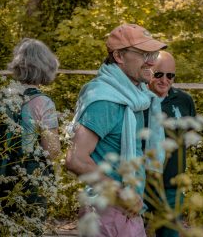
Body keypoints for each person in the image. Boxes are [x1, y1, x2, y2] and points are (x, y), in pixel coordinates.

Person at [65, 24, 167, 237]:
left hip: (125, 211)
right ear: (119, 56)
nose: (151, 61)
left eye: (153, 54)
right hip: (107, 212)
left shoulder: (131, 97)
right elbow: (76, 159)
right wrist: (122, 193)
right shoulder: (105, 99)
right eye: (144, 54)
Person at [0, 38, 61, 234]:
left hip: (3, 174)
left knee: (8, 227)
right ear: (46, 67)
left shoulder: (4, 96)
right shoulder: (43, 102)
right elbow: (52, 151)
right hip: (31, 178)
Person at [147, 51, 196, 237]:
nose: (164, 80)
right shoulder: (138, 100)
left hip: (171, 186)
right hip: (140, 185)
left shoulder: (184, 101)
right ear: (148, 71)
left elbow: (188, 134)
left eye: (170, 75)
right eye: (158, 74)